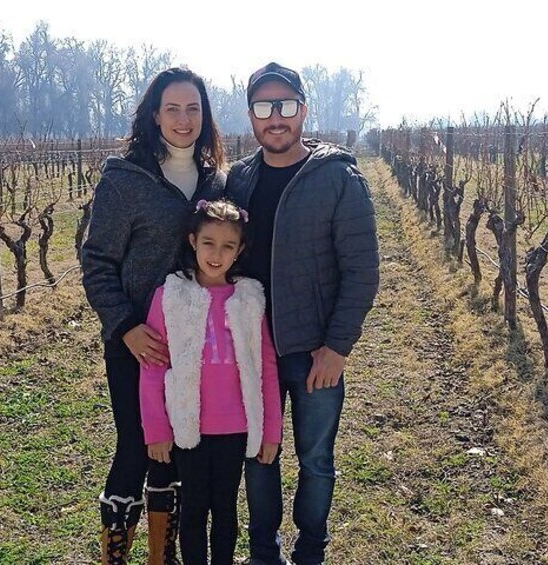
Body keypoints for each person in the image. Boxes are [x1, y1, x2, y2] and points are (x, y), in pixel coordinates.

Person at [226, 62, 380, 565]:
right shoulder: (239, 182)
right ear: (251, 116)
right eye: (265, 107)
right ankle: (263, 551)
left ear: (303, 112)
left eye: (286, 106)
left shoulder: (337, 178)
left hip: (315, 351)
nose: (276, 118)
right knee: (258, 456)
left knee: (316, 460)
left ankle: (311, 548)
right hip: (254, 349)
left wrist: (337, 347)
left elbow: (361, 270)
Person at [81, 67, 226, 565]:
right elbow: (97, 262)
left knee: (180, 449)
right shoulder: (125, 180)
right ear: (154, 115)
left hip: (198, 347)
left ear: (204, 117)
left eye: (193, 109)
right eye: (173, 108)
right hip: (139, 345)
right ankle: (115, 555)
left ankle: (161, 556)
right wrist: (124, 326)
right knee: (136, 447)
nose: (184, 119)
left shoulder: (218, 182)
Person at [140, 199, 283, 565]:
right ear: (192, 240)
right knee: (192, 510)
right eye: (208, 243)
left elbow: (265, 367)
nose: (217, 254)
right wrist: (156, 427)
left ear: (240, 250)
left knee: (225, 509)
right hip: (190, 425)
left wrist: (271, 431)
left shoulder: (250, 298)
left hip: (234, 427)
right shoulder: (171, 296)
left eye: (228, 246)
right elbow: (153, 367)